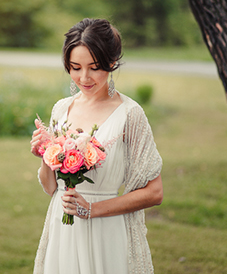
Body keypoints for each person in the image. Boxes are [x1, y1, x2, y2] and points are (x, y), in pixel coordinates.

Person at [30, 18, 163, 274]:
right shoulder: (61, 109)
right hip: (63, 231)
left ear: (112, 62)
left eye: (94, 67)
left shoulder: (130, 114)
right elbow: (51, 189)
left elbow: (154, 193)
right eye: (75, 67)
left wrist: (91, 210)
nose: (84, 77)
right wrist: (44, 154)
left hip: (107, 232)